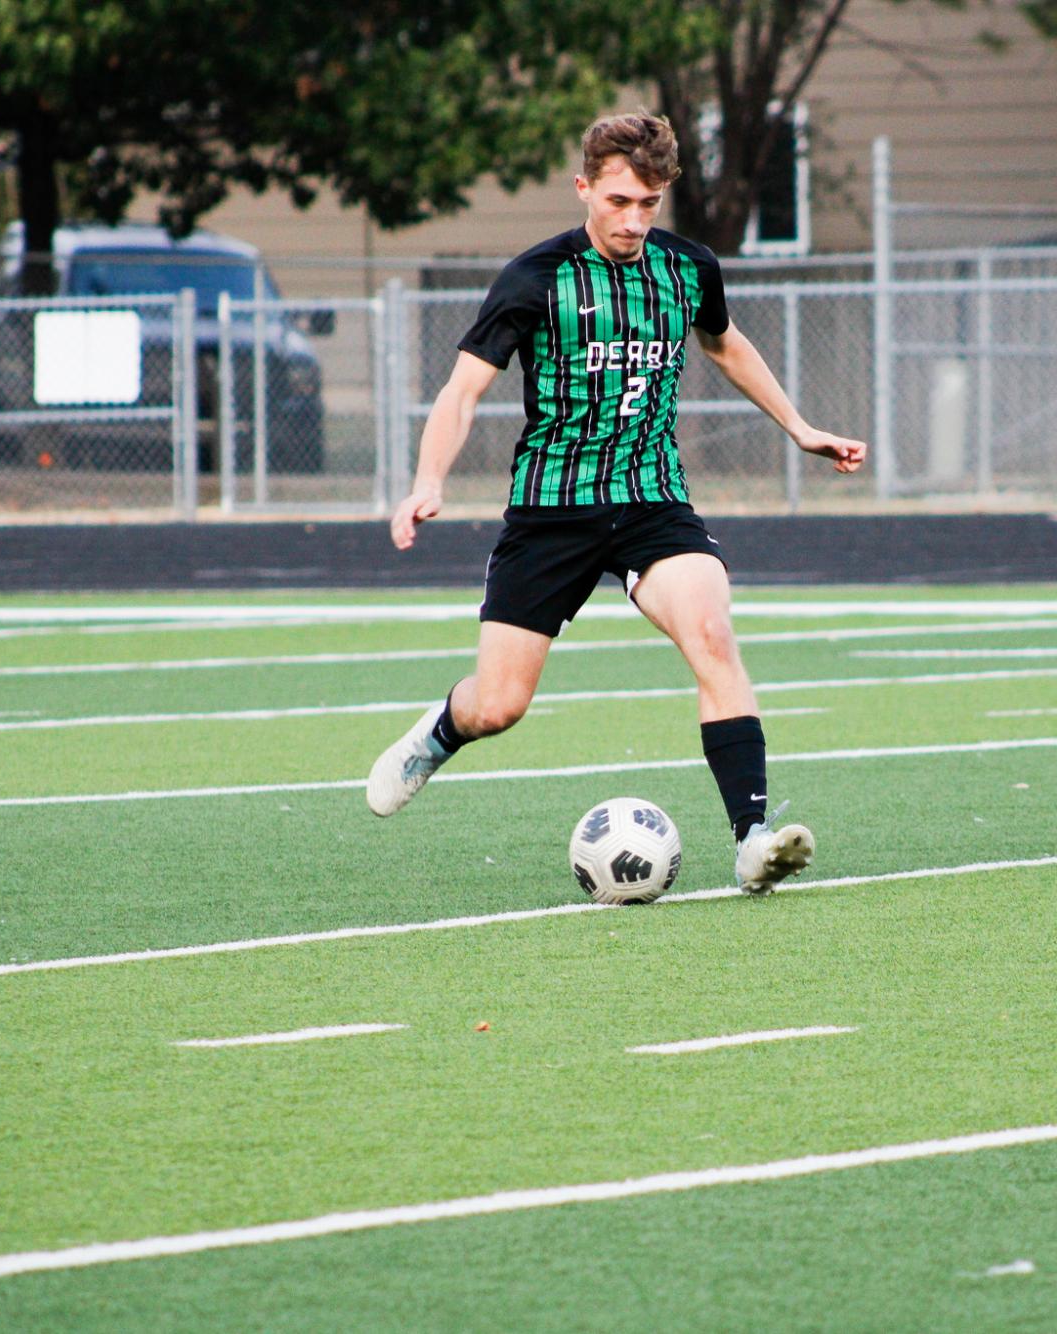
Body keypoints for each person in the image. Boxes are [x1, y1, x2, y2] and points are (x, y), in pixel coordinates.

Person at [365, 112, 867, 893]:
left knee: (712, 632)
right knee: (498, 705)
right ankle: (437, 735)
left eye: (649, 204)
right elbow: (463, 390)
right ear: (584, 189)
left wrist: (798, 426)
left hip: (651, 500)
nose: (634, 220)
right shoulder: (536, 277)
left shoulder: (688, 268)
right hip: (552, 508)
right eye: (620, 201)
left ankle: (752, 838)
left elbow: (723, 342)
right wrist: (429, 480)